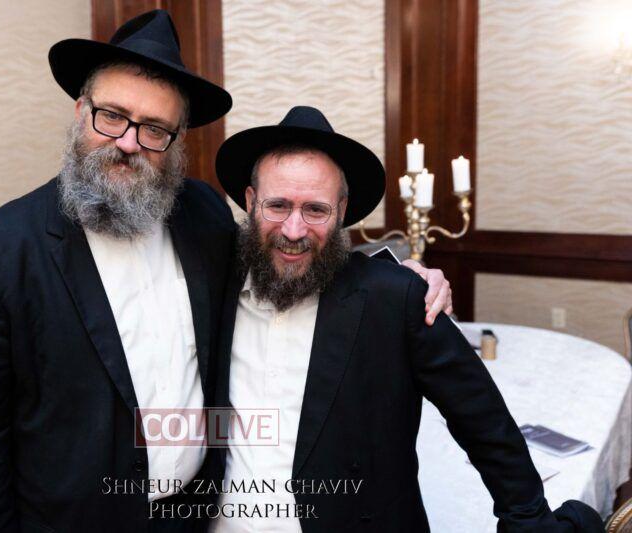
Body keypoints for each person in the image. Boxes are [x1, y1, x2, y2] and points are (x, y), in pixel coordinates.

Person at [0, 10, 452, 533]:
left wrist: (397, 276)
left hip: (197, 515)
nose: (129, 142)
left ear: (176, 138)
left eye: (154, 128)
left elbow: (284, 259)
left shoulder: (201, 213)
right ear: (80, 110)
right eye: (112, 116)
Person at [207, 106, 604, 532]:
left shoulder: (396, 297)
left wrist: (527, 518)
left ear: (342, 210)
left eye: (315, 210)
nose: (293, 229)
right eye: (277, 205)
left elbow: (483, 421)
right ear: (250, 201)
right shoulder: (211, 282)